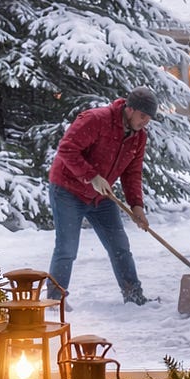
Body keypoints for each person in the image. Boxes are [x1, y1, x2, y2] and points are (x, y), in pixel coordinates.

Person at [46, 87, 157, 305]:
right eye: (143, 116)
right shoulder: (97, 120)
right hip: (68, 189)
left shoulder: (138, 137)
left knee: (120, 246)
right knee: (67, 247)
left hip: (101, 197)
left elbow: (132, 172)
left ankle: (133, 295)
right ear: (130, 109)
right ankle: (54, 300)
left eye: (149, 118)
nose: (145, 122)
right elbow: (67, 149)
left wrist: (136, 206)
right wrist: (92, 177)